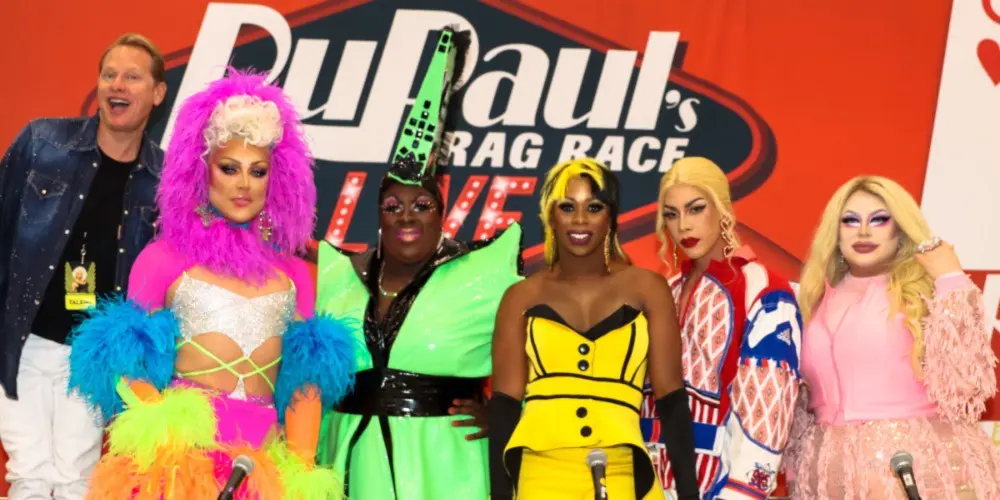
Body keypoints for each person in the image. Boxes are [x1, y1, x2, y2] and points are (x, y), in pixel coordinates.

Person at [65, 68, 357, 499]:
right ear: (202, 172)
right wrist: (173, 432)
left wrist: (302, 471)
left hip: (264, 472)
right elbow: (123, 365)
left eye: (258, 171)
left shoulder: (295, 273)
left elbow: (305, 386)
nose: (244, 184)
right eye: (229, 168)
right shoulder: (163, 259)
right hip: (175, 470)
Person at [314, 26, 523, 499]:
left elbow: (547, 343)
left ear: (441, 213)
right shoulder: (339, 277)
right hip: (348, 462)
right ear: (378, 215)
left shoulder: (482, 276)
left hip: (443, 468)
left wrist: (509, 412)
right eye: (393, 206)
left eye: (421, 205)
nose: (407, 216)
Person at [0, 33, 166, 499]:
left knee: (77, 480)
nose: (117, 85)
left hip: (94, 356)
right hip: (22, 338)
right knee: (29, 475)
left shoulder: (165, 179)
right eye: (109, 74)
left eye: (132, 77)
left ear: (157, 93)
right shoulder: (42, 142)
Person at [488, 157, 700, 499]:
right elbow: (504, 408)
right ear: (550, 216)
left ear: (611, 217)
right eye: (567, 207)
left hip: (623, 471)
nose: (580, 219)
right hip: (541, 475)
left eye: (594, 207)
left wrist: (690, 495)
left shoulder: (648, 288)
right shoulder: (520, 297)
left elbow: (671, 399)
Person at [783, 176, 1000, 499]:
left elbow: (965, 386)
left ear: (899, 230)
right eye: (850, 220)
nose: (863, 231)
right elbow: (799, 403)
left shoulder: (925, 291)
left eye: (879, 220)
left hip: (923, 471)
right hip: (829, 477)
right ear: (835, 232)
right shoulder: (811, 301)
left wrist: (951, 279)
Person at [640, 156, 802, 499]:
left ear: (722, 208)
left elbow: (767, 416)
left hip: (720, 484)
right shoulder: (665, 291)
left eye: (696, 209)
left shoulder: (761, 288)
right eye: (671, 214)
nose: (683, 226)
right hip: (649, 483)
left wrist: (740, 492)